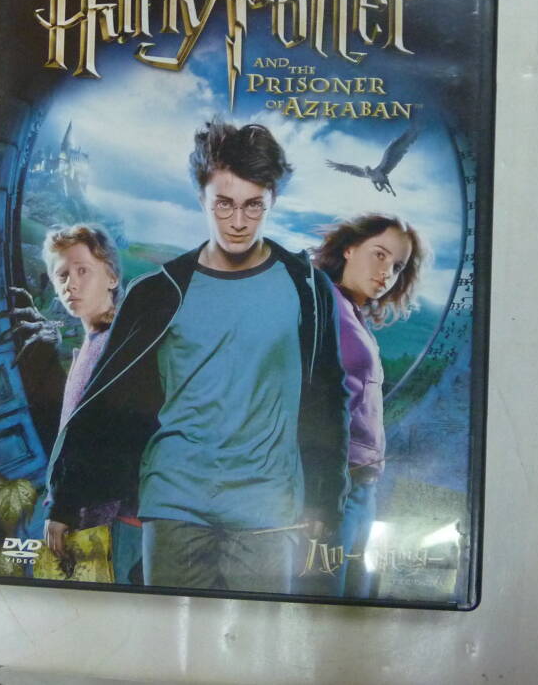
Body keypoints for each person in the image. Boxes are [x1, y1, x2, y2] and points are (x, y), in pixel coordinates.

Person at [45, 120, 350, 595]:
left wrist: (325, 498)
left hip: (268, 507)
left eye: (254, 205)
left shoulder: (306, 287)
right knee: (170, 634)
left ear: (272, 200)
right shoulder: (158, 292)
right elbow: (107, 401)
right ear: (201, 199)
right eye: (223, 204)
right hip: (175, 501)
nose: (238, 221)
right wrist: (65, 501)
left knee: (255, 638)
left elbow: (327, 398)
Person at [311, 213, 424, 598]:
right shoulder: (323, 304)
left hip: (363, 484)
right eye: (379, 254)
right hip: (334, 484)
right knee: (325, 600)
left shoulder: (351, 313)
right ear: (349, 249)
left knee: (354, 601)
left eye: (397, 266)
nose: (387, 272)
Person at [33, 224, 142, 584]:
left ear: (112, 277)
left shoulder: (116, 347)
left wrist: (63, 507)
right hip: (90, 512)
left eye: (83, 270)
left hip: (109, 517)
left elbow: (104, 439)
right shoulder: (93, 344)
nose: (71, 284)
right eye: (62, 274)